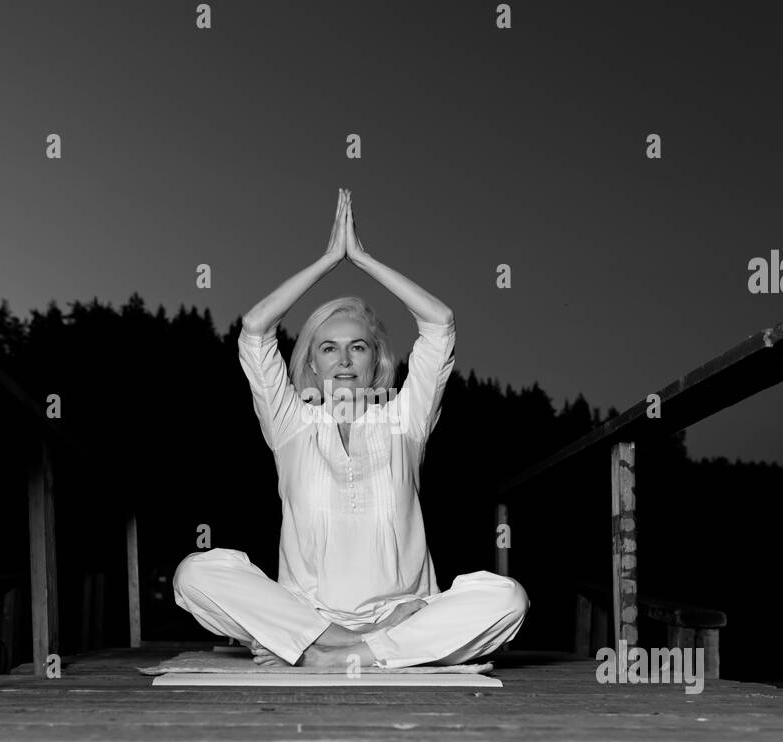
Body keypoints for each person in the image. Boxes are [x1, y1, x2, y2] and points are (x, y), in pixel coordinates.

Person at [172, 189, 528, 669]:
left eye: (358, 347)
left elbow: (439, 323)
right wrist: (327, 260)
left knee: (507, 598)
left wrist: (361, 259)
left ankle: (336, 655)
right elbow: (256, 329)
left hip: (403, 614)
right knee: (194, 573)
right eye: (328, 348)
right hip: (307, 614)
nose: (343, 360)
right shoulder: (290, 421)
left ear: (376, 360)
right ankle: (339, 643)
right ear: (312, 363)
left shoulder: (405, 419)